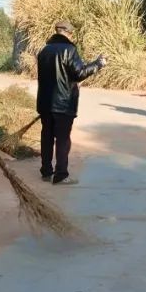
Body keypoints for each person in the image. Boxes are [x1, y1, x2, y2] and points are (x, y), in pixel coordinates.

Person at [36, 21, 106, 185]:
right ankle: (61, 175)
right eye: (71, 33)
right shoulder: (69, 50)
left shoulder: (44, 51)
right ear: (67, 33)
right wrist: (98, 64)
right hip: (63, 103)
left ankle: (46, 172)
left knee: (47, 138)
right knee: (62, 139)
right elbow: (79, 73)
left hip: (45, 103)